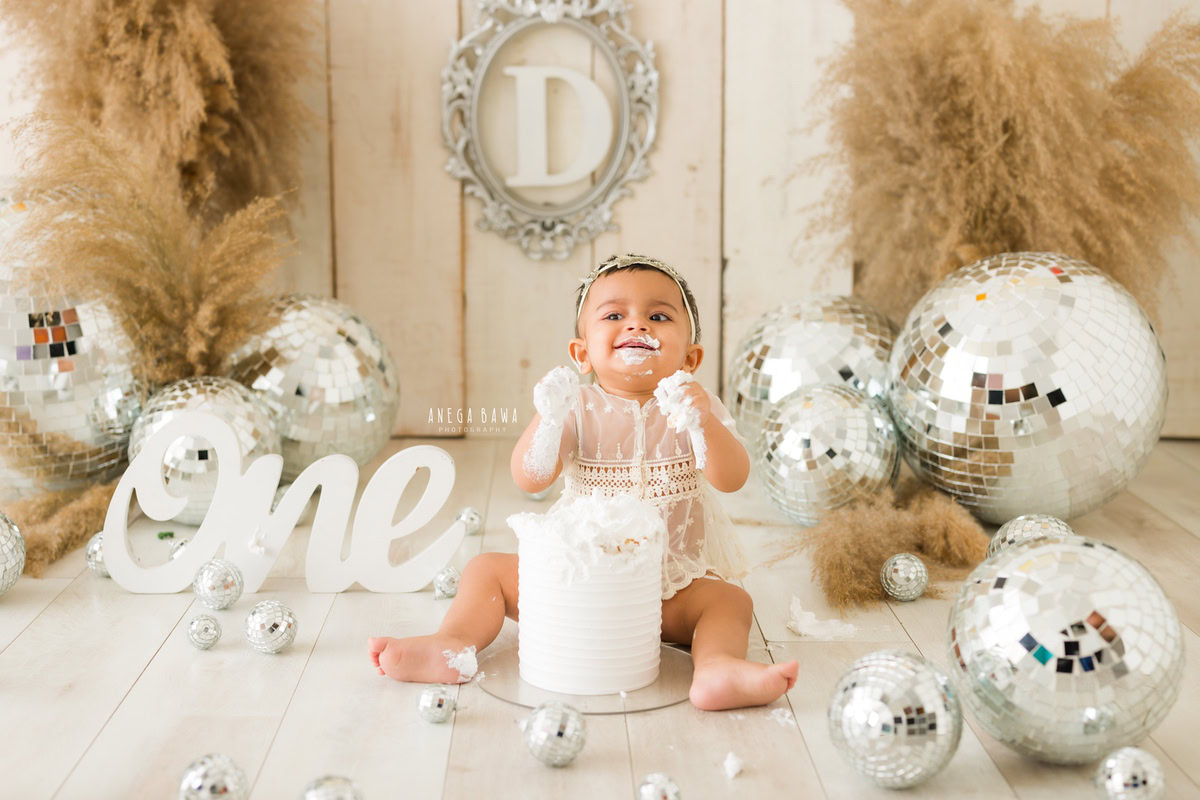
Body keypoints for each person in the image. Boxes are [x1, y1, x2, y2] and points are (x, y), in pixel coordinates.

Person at [367, 254, 798, 710]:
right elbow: (530, 478)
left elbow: (732, 479)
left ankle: (717, 668)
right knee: (485, 570)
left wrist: (702, 422)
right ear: (582, 354)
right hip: (576, 585)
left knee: (730, 601)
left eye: (658, 317)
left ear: (690, 359)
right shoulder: (577, 407)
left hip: (667, 593)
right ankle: (452, 643)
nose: (636, 325)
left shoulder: (695, 408)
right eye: (614, 316)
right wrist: (549, 419)